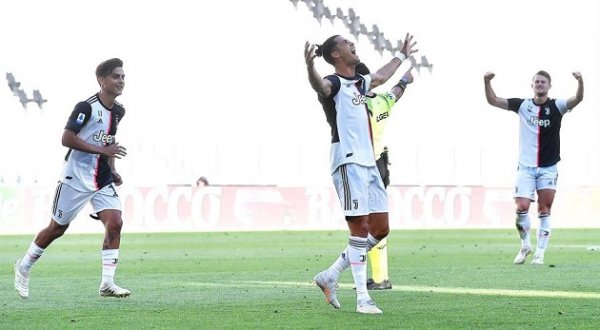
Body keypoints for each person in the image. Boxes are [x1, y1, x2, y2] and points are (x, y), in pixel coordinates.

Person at [305, 33, 417, 314]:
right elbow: (321, 87)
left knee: (380, 229)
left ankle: (330, 275)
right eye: (346, 43)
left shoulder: (361, 83)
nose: (352, 43)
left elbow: (380, 75)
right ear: (336, 55)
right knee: (360, 228)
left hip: (370, 163)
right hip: (348, 161)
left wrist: (402, 55)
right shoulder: (334, 82)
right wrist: (310, 68)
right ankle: (363, 299)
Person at [14, 58, 130, 299]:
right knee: (57, 229)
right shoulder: (85, 107)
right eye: (115, 76)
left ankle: (107, 283)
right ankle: (24, 266)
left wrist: (112, 166)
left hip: (101, 178)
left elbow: (108, 141)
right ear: (101, 80)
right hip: (75, 177)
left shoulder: (118, 111)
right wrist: (102, 152)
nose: (121, 81)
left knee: (115, 221)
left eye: (122, 76)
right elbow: (67, 138)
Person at [484, 70, 584, 265]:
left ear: (549, 86)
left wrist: (580, 81)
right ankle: (525, 245)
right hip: (526, 168)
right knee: (521, 208)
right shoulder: (522, 105)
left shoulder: (557, 106)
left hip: (548, 168)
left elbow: (578, 98)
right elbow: (493, 100)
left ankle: (540, 252)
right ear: (532, 85)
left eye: (543, 82)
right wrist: (486, 81)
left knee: (544, 210)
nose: (540, 84)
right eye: (537, 81)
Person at [354, 63, 414, 290]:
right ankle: (379, 276)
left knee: (367, 223)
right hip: (380, 163)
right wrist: (405, 79)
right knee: (372, 221)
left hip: (364, 166)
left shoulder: (356, 103)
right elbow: (397, 92)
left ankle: (380, 279)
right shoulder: (382, 100)